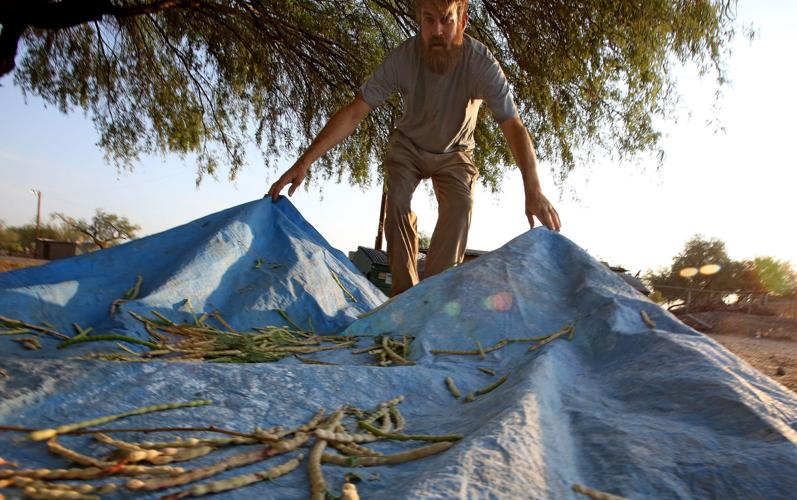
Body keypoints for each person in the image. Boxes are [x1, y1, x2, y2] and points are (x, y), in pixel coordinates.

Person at [268, 0, 561, 296]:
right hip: (409, 146)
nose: (437, 31)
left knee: (461, 206)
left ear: (462, 21)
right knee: (397, 200)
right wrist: (304, 162)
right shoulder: (404, 58)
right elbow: (356, 111)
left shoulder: (480, 63)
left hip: (456, 153)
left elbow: (512, 124)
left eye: (446, 20)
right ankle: (404, 295)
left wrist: (533, 189)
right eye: (428, 20)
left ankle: (432, 296)